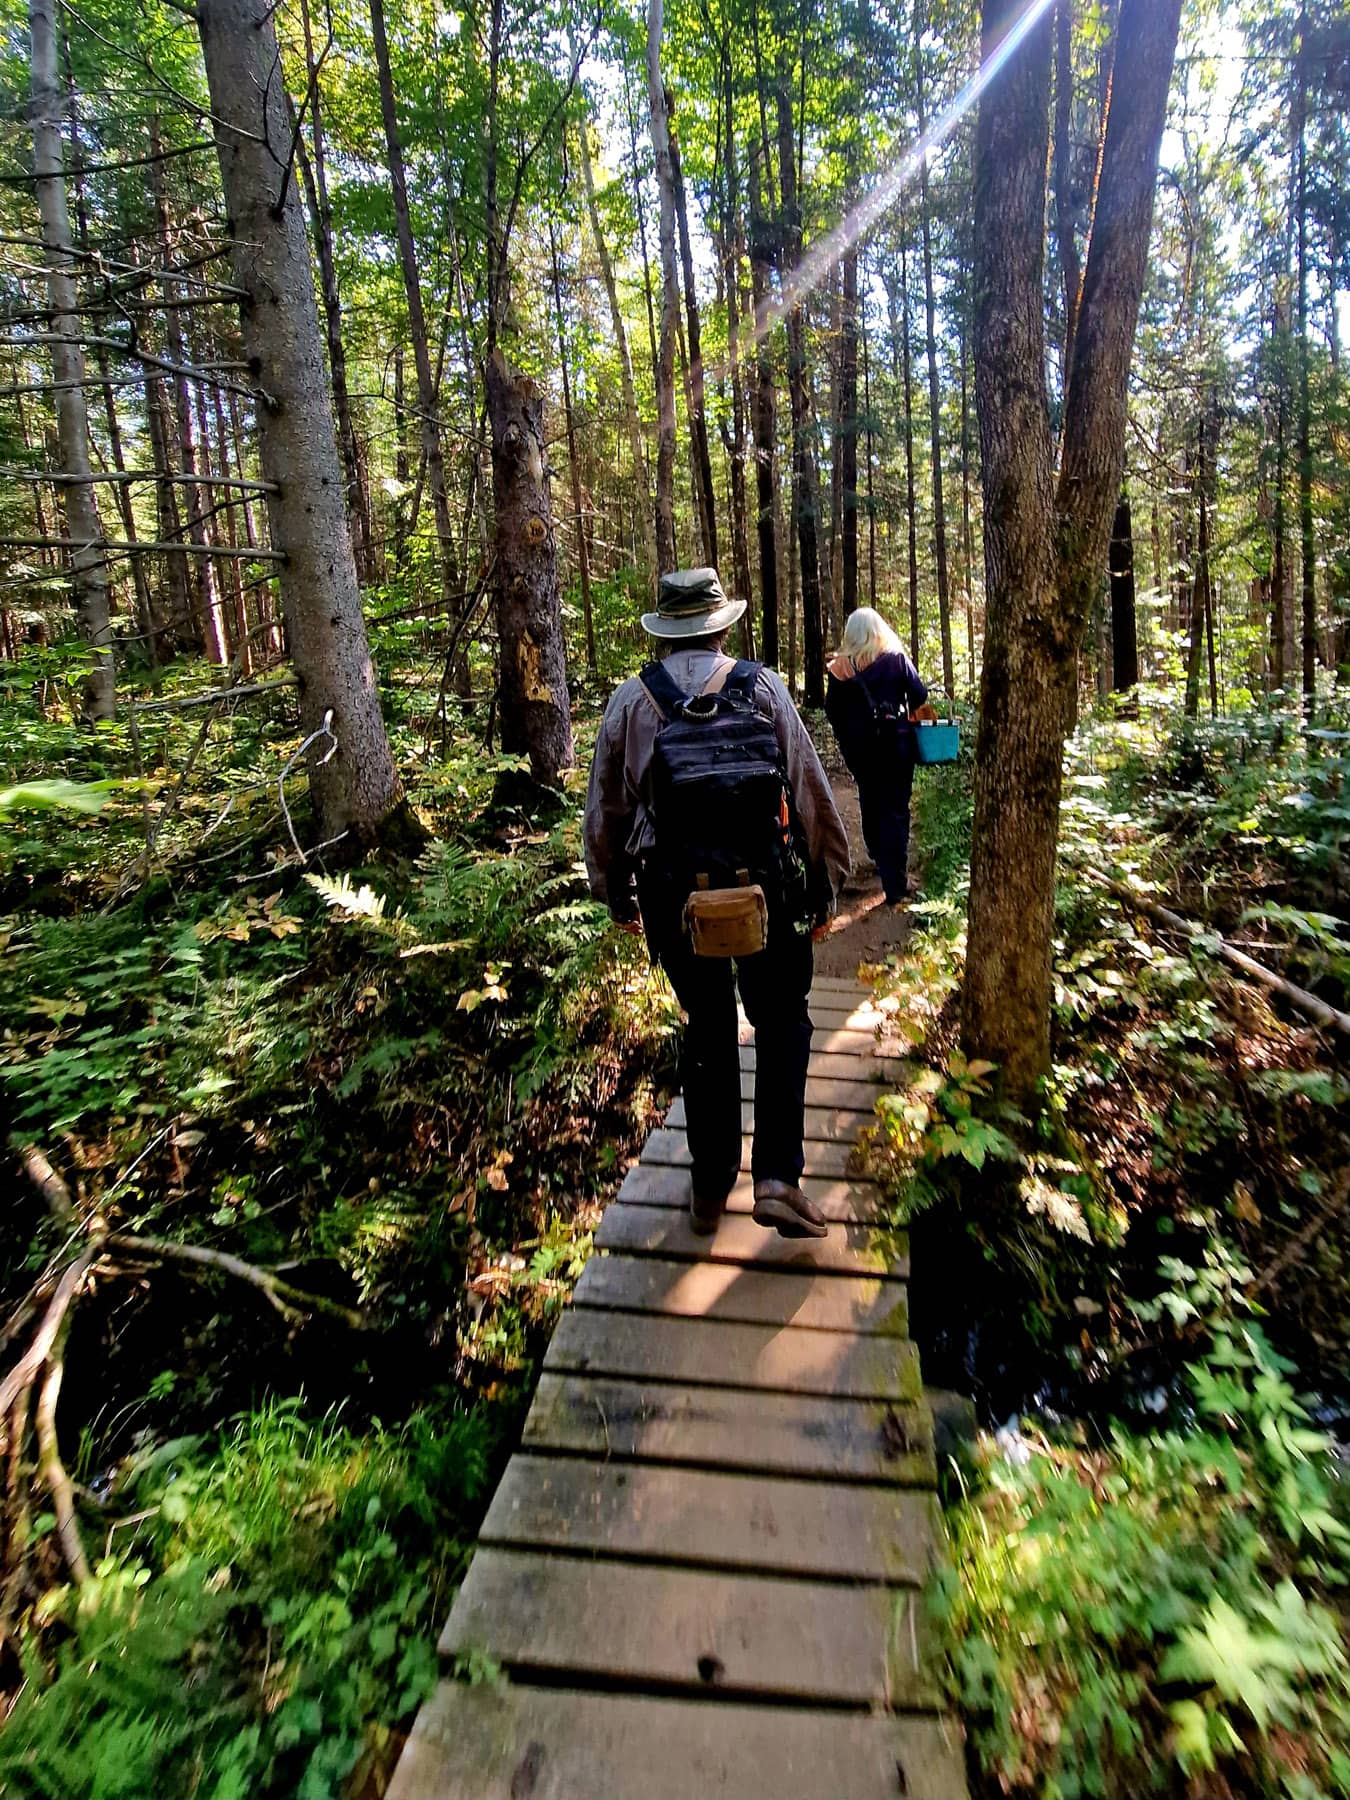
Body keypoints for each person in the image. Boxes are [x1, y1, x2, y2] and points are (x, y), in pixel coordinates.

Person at [584, 568, 850, 1241]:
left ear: (666, 633)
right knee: (783, 1018)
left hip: (675, 893)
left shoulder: (630, 702)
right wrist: (827, 880)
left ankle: (709, 1190)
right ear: (722, 625)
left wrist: (614, 890)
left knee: (706, 1023)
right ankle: (778, 1179)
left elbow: (606, 812)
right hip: (767, 884)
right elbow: (808, 786)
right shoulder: (762, 688)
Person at [825, 607, 928, 907]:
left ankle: (877, 855)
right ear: (878, 630)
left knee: (870, 799)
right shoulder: (895, 660)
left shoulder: (839, 669)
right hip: (895, 746)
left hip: (860, 751)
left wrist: (850, 735)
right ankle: (895, 884)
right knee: (896, 809)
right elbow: (919, 694)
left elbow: (832, 710)